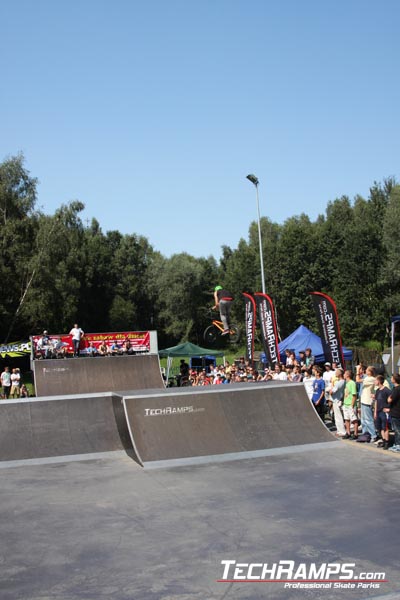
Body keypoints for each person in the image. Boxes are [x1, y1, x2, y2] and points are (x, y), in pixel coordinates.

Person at [358, 366, 377, 442]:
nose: (365, 370)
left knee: (368, 419)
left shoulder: (371, 379)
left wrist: (357, 371)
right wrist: (360, 370)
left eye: (367, 370)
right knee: (363, 419)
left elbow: (358, 380)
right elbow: (361, 376)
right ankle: (366, 434)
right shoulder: (366, 378)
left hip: (367, 401)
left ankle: (373, 435)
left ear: (370, 372)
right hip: (363, 400)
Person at [373, 374, 391, 450]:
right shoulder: (377, 390)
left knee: (385, 427)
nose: (374, 382)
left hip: (384, 411)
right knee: (379, 427)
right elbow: (376, 401)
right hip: (378, 411)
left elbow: (391, 400)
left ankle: (387, 442)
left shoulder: (386, 390)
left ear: (379, 381)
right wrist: (375, 411)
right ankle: (383, 440)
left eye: (375, 380)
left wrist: (389, 408)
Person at [329, 368, 346, 437]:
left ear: (340, 374)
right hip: (336, 400)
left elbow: (332, 391)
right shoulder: (340, 382)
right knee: (337, 417)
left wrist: (330, 391)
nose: (335, 373)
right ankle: (339, 431)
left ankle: (342, 431)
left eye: (337, 372)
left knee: (338, 417)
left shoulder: (340, 382)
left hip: (337, 400)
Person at [343, 370, 359, 439]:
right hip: (345, 403)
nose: (343, 375)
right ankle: (348, 432)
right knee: (346, 419)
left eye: (344, 374)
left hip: (350, 404)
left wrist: (352, 404)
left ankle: (355, 433)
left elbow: (354, 395)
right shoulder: (346, 383)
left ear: (347, 375)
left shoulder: (352, 383)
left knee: (354, 419)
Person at [388, 374, 400, 453]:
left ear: (394, 380)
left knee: (397, 430)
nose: (391, 379)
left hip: (396, 411)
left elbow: (390, 400)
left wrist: (389, 398)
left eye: (392, 378)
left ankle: (398, 445)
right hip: (396, 411)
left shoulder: (396, 389)